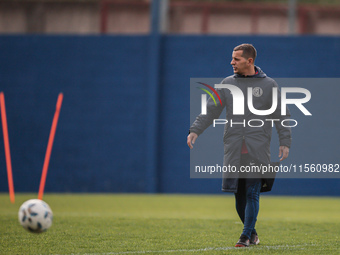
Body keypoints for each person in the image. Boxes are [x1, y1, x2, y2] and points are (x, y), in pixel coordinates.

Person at [187, 44, 291, 247]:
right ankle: (252, 234)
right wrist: (195, 130)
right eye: (232, 58)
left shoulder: (270, 85)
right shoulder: (226, 84)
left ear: (249, 61)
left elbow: (282, 115)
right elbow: (210, 110)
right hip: (233, 147)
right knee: (238, 194)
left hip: (258, 148)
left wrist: (285, 142)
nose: (231, 62)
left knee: (252, 191)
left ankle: (244, 236)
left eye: (236, 59)